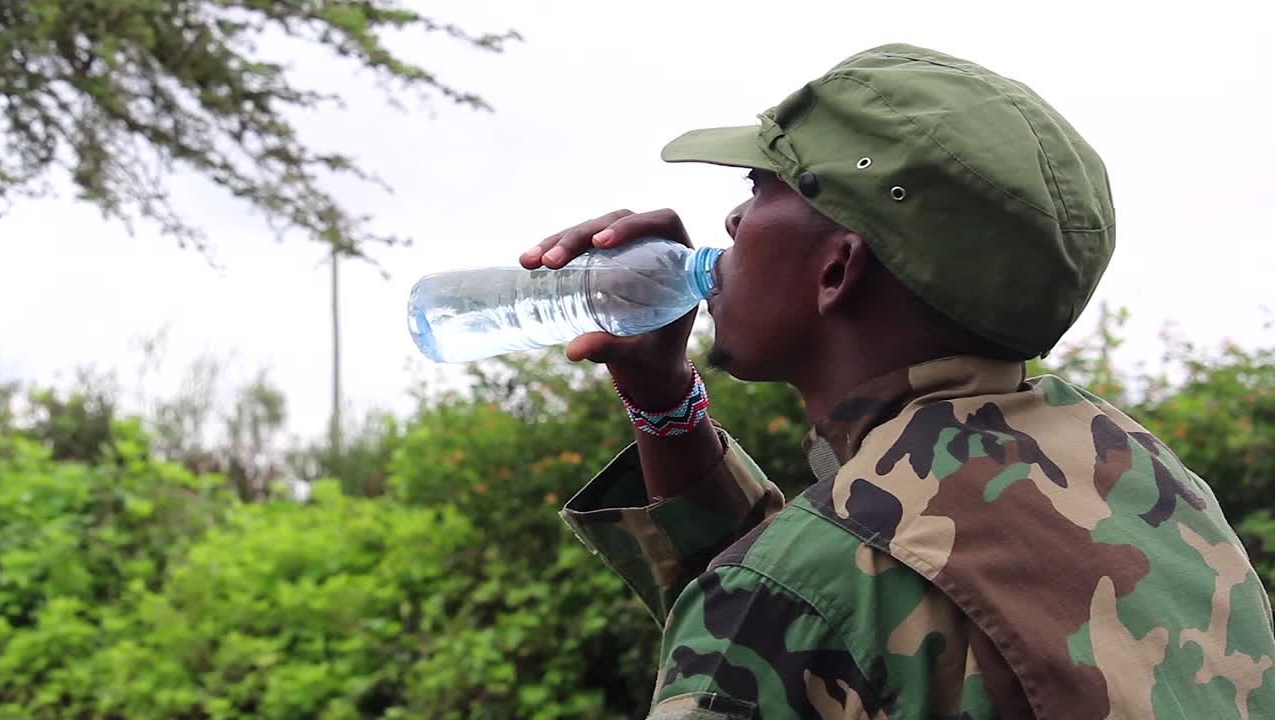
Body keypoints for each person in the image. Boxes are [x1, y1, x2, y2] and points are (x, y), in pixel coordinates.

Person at [520, 43, 1275, 719]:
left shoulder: (793, 593)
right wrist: (665, 402)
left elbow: (801, 608)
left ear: (838, 269)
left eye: (760, 185)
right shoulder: (1147, 487)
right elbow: (843, 613)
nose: (732, 220)